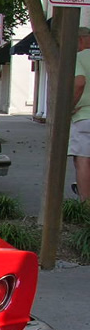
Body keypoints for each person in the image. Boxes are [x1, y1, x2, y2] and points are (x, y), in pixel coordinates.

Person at [70, 26, 90, 202]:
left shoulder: (78, 58)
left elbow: (79, 82)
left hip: (85, 116)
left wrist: (70, 105)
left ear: (81, 40)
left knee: (83, 159)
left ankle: (85, 204)